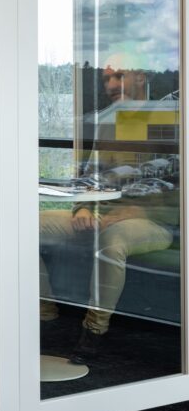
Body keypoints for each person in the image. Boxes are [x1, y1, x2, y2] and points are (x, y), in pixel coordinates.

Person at [39, 52, 177, 363]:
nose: (111, 84)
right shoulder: (106, 123)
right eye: (107, 78)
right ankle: (44, 315)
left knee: (111, 243)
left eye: (120, 76)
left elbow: (178, 186)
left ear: (141, 77)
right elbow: (88, 177)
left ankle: (94, 331)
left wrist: (141, 212)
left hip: (153, 222)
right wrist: (82, 210)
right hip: (101, 214)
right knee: (12, 225)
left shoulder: (167, 119)